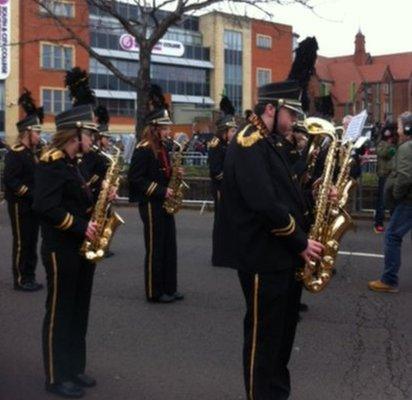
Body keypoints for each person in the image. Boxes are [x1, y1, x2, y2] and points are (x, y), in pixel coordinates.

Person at [222, 80, 324, 399]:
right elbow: (264, 204)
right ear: (271, 109)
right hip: (261, 257)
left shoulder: (272, 142)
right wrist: (300, 241)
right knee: (263, 337)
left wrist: (314, 195)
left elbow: (285, 192)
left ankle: (277, 392)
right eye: (290, 114)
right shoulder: (248, 142)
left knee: (281, 334)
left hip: (280, 255)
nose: (294, 121)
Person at [33, 67, 111, 398]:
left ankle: (74, 368)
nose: (93, 140)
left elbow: (77, 199)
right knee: (60, 311)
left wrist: (101, 201)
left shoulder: (72, 164)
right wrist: (83, 226)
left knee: (78, 310)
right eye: (89, 134)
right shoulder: (51, 162)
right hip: (59, 249)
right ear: (75, 133)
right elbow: (45, 207)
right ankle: (56, 375)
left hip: (79, 247)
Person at [128, 85, 183, 304]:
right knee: (155, 248)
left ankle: (170, 287)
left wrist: (175, 173)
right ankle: (154, 290)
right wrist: (162, 190)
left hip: (164, 202)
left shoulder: (163, 148)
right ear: (155, 128)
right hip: (151, 204)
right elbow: (135, 179)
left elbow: (164, 173)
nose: (169, 132)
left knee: (170, 246)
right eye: (166, 128)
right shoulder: (143, 149)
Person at [368, 111, 412, 293]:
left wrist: (395, 194)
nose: (398, 129)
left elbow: (405, 177)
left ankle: (389, 280)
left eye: (401, 126)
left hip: (407, 201)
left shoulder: (407, 147)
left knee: (392, 236)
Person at [4, 89, 43, 291]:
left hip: (32, 205)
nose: (39, 135)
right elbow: (10, 180)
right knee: (22, 242)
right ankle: (21, 279)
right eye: (37, 132)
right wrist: (29, 193)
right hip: (20, 206)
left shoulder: (32, 153)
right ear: (27, 132)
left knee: (31, 241)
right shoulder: (16, 153)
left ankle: (30, 275)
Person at [208, 99, 237, 266]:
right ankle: (218, 256)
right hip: (220, 188)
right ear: (224, 131)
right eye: (232, 130)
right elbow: (215, 171)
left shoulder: (229, 144)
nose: (234, 133)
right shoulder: (216, 144)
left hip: (228, 188)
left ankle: (229, 252)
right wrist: (229, 181)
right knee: (220, 221)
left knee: (229, 220)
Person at [373, 123, 397, 233]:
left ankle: (394, 222)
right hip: (384, 175)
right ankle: (378, 223)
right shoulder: (381, 143)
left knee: (394, 200)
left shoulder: (396, 144)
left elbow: (396, 154)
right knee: (382, 201)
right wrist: (389, 144)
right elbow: (383, 153)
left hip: (394, 175)